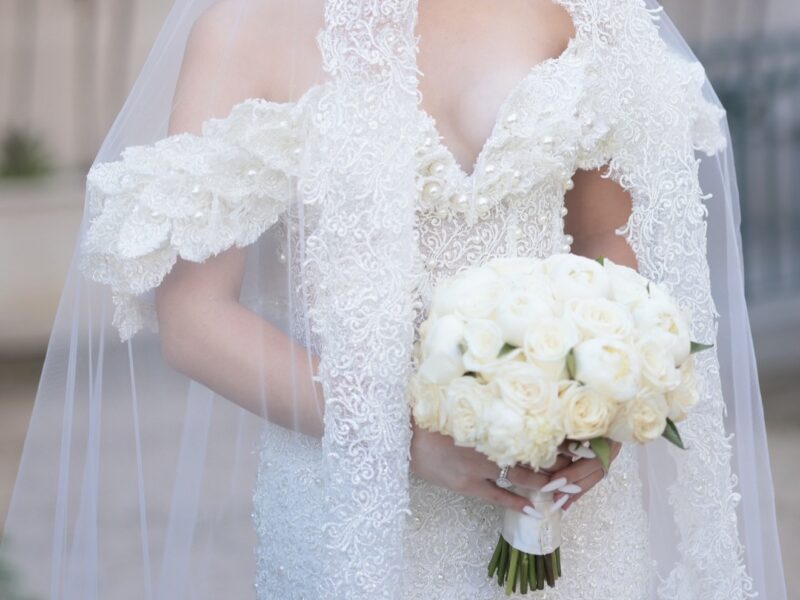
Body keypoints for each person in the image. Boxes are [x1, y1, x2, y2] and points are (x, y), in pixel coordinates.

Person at [1, 1, 786, 598]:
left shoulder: (582, 12)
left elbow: (613, 241)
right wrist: (403, 437)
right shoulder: (247, 23)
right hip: (352, 499)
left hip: (563, 501)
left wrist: (601, 405)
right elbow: (194, 321)